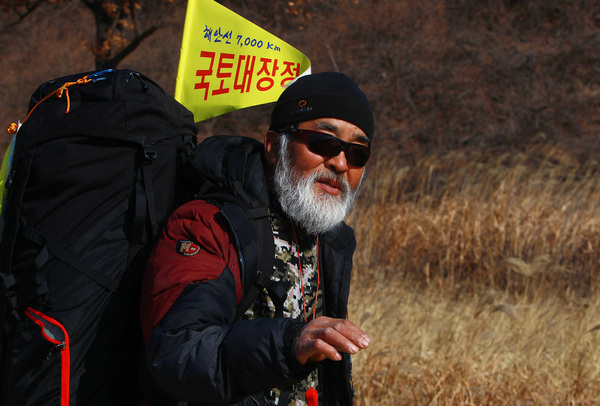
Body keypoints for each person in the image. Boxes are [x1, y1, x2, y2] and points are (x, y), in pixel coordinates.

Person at [140, 72, 374, 405]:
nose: (339, 163)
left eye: (357, 154)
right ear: (273, 147)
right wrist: (288, 343)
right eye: (323, 143)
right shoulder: (208, 224)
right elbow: (181, 351)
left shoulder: (331, 239)